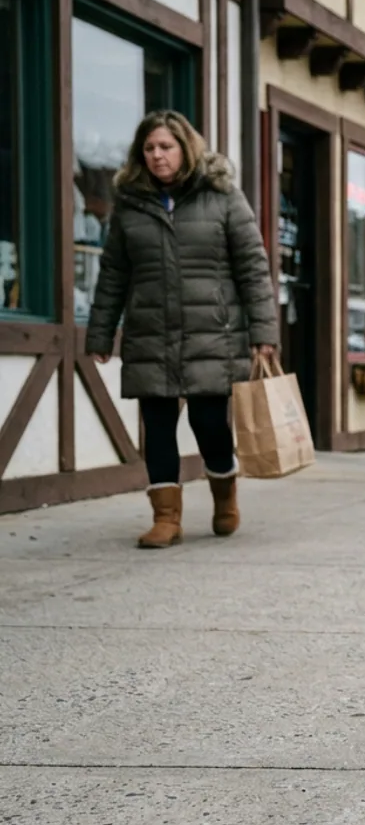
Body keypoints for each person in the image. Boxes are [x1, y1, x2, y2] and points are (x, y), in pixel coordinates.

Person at [85, 110, 278, 549]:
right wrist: (99, 333)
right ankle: (166, 518)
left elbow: (253, 267)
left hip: (212, 331)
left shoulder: (223, 197)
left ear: (185, 148)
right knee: (157, 426)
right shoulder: (129, 205)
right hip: (151, 332)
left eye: (165, 147)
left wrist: (263, 333)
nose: (157, 155)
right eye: (149, 148)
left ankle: (224, 497)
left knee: (210, 424)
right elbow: (113, 273)